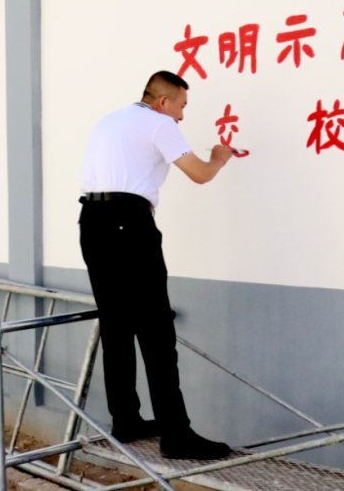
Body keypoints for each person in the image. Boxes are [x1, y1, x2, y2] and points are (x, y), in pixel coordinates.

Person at [79, 70, 234, 460]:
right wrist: (218, 159)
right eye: (182, 105)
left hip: (92, 225)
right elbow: (199, 174)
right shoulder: (157, 122)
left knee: (117, 325)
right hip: (128, 225)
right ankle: (176, 435)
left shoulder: (110, 120)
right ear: (163, 101)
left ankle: (126, 419)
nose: (182, 116)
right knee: (156, 330)